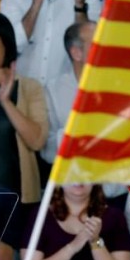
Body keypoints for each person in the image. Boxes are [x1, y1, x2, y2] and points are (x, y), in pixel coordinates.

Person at [0, 12, 48, 260]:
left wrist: (7, 102)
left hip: (18, 204)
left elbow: (37, 140)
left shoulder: (31, 88)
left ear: (6, 43)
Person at [0, 0, 101, 86]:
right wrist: (36, 3)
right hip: (23, 93)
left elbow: (87, 51)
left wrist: (79, 6)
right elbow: (12, 46)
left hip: (65, 93)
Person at [40, 21, 95, 164]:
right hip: (71, 179)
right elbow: (47, 148)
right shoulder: (53, 91)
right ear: (76, 53)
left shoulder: (121, 87)